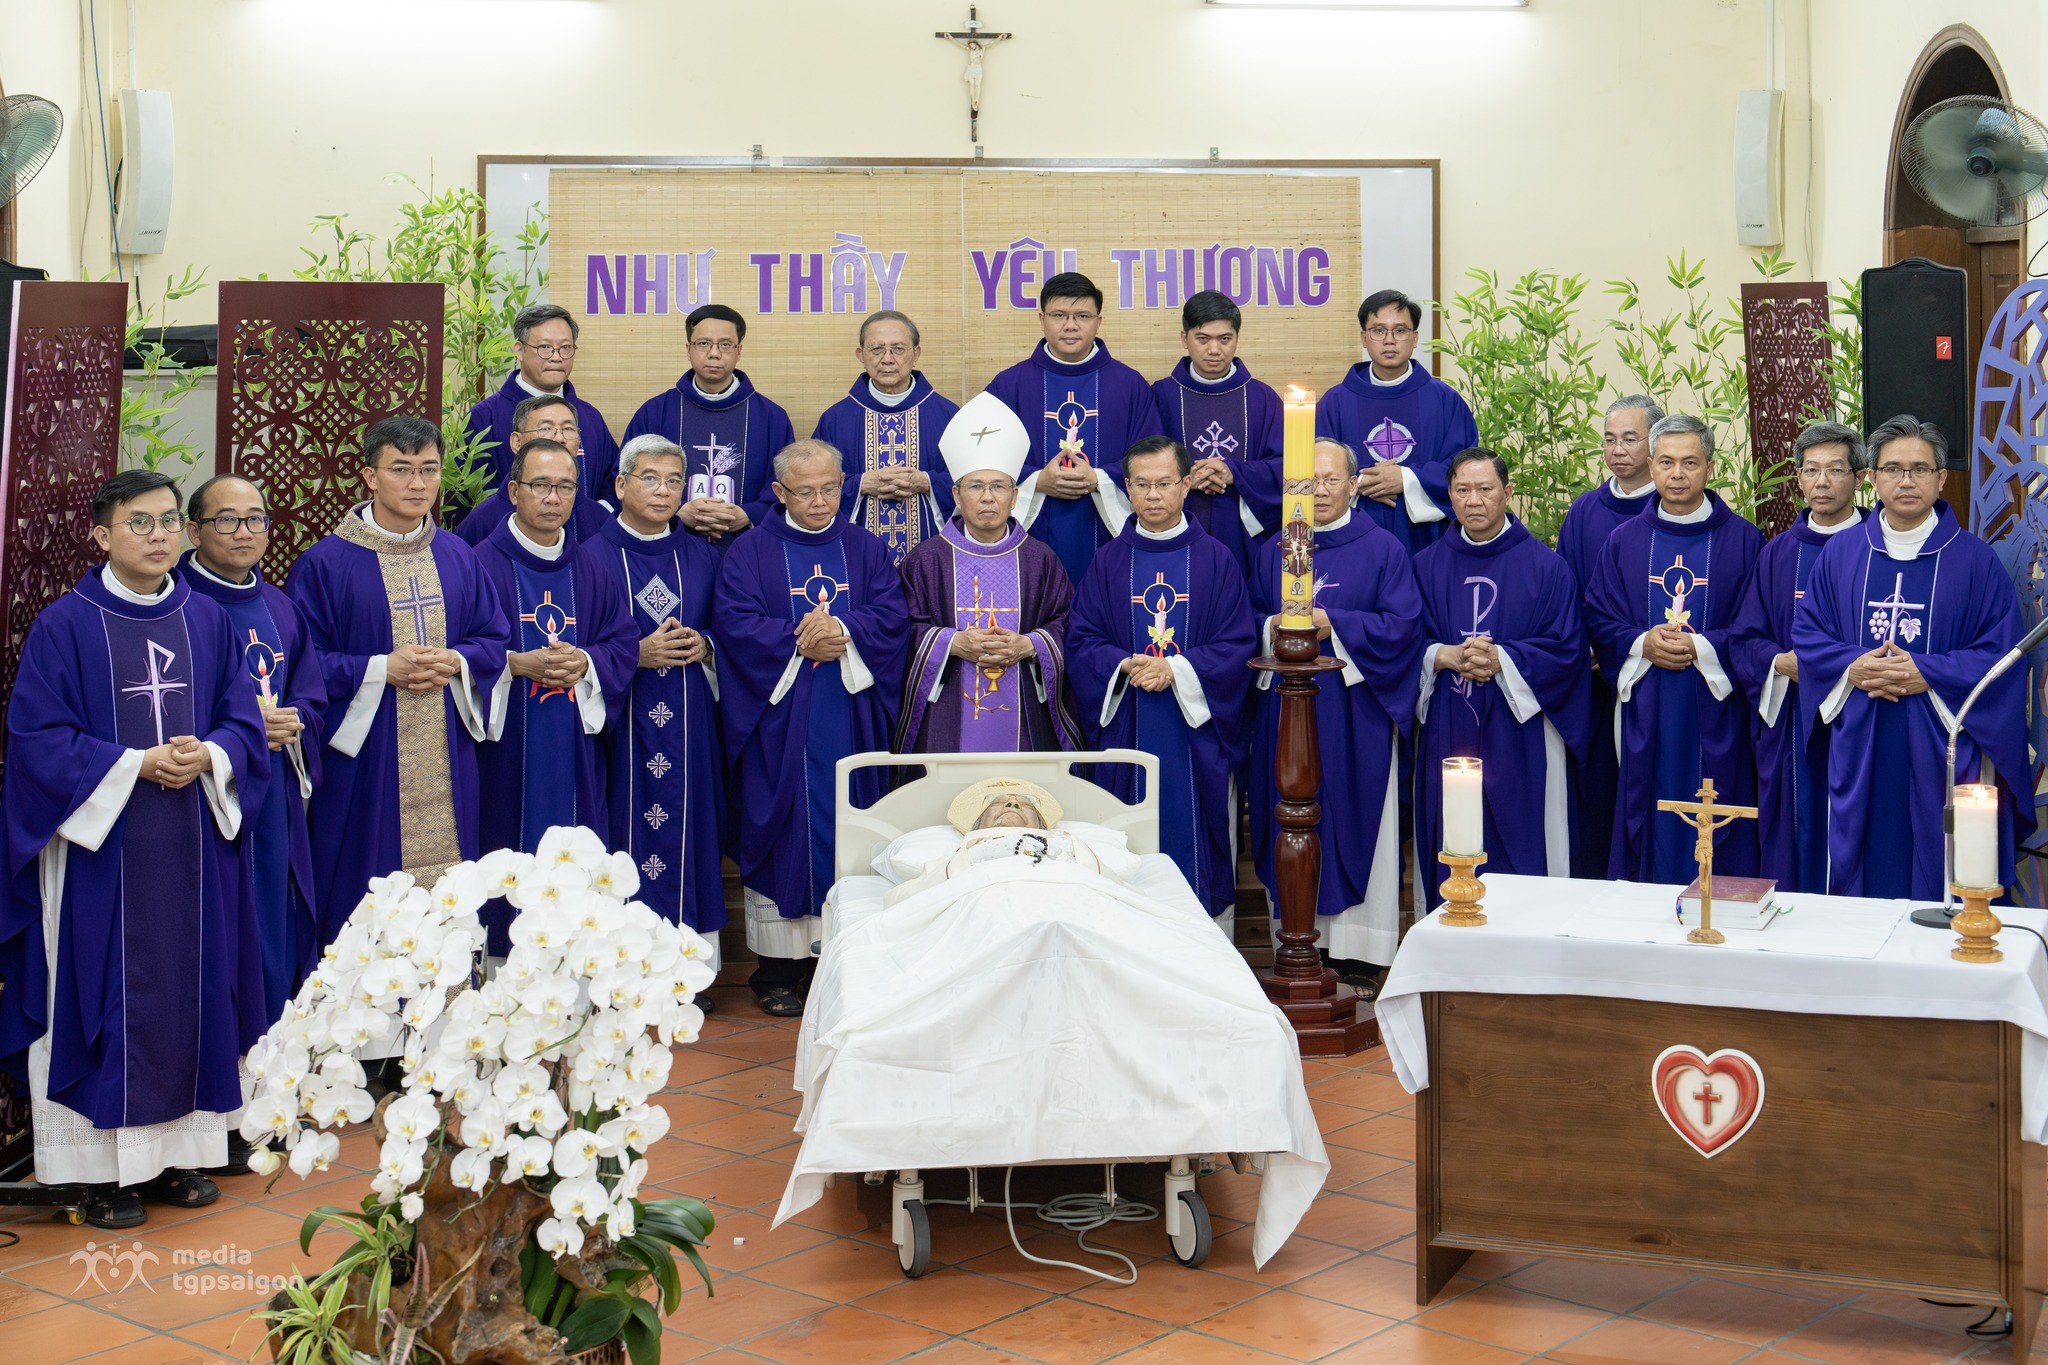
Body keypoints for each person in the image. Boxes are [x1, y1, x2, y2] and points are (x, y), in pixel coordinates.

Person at [0, 471, 267, 1229]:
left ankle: (175, 1156)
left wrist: (210, 753)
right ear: (102, 535)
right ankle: (99, 1174)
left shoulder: (206, 618)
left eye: (169, 521)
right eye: (139, 522)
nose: (158, 535)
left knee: (191, 990)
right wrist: (132, 765)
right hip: (102, 851)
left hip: (191, 845)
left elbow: (242, 720)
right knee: (103, 994)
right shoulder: (66, 625)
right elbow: (37, 741)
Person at [1792, 415, 2034, 899]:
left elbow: (2002, 654)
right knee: (1863, 863)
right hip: (1861, 736)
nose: (1906, 481)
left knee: (1941, 864)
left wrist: (1927, 672)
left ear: (1941, 478)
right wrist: (1854, 666)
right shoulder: (1841, 553)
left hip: (1940, 740)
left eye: (1919, 469)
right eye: (1893, 469)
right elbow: (1809, 634)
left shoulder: (1975, 561)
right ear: (1871, 478)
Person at [714, 439, 910, 1015]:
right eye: (805, 492)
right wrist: (799, 638)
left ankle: (847, 960)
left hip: (849, 714)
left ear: (844, 484)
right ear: (779, 492)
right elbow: (734, 623)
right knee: (783, 832)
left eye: (830, 488)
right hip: (779, 720)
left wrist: (843, 631)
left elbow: (892, 615)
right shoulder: (750, 551)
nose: (820, 501)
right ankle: (778, 971)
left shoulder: (865, 548)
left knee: (850, 824)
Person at [287, 416, 511, 912]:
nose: (418, 483)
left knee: (450, 893)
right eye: (402, 469)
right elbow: (302, 665)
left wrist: (455, 660)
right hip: (366, 756)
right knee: (363, 885)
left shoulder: (458, 556)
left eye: (429, 469)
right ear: (370, 476)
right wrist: (380, 669)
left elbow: (493, 637)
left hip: (446, 745)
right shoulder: (325, 565)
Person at [1250, 439, 1422, 979]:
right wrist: (1275, 626)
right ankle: (1300, 947)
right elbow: (1246, 621)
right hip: (1286, 712)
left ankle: (1361, 955)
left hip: (1356, 711)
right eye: (1308, 480)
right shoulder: (1274, 548)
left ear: (1353, 485)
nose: (1319, 491)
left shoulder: (1384, 549)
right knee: (1290, 814)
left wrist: (1334, 624)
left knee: (1355, 813)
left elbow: (1403, 627)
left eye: (1330, 480)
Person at [1068, 435, 1254, 923]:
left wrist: (1176, 669)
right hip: (1127, 722)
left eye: (1165, 483)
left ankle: (1205, 944)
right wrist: (1125, 665)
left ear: (1186, 485)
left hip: (1194, 736)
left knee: (1192, 835)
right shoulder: (1108, 561)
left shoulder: (1216, 559)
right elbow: (1082, 642)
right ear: (1127, 488)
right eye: (1142, 484)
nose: (1153, 495)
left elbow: (1238, 644)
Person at [470, 438, 639, 951]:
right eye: (540, 485)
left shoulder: (591, 568)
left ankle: (574, 962)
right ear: (513, 490)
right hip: (503, 750)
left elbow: (621, 642)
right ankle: (502, 961)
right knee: (503, 843)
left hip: (574, 748)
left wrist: (585, 662)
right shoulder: (478, 565)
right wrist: (515, 664)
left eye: (565, 487)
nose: (553, 498)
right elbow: (456, 650)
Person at [1586, 414, 1764, 883]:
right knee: (1649, 806)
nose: (1677, 474)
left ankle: (1716, 902)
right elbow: (1599, 617)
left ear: (1710, 467)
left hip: (1718, 708)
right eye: (1666, 462)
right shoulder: (1623, 542)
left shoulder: (1745, 541)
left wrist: (1701, 646)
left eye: (1690, 462)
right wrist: (1642, 642)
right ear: (1651, 465)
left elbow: (1758, 627)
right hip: (1647, 704)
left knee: (1717, 805)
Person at [180, 475, 327, 1024]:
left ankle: (274, 1038)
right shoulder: (176, 605)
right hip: (207, 797)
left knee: (274, 912)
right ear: (194, 531)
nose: (244, 532)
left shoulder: (280, 607)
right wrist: (241, 731)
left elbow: (312, 693)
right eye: (226, 520)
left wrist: (295, 720)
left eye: (255, 520)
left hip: (275, 793)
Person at [1413, 449, 1591, 896]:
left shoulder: (1547, 568)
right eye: (1462, 490)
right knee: (1451, 836)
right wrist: (1443, 655)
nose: (1473, 500)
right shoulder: (1424, 566)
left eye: (1485, 489)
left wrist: (1503, 660)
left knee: (1524, 847)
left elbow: (1568, 651)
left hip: (1521, 734)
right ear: (1449, 496)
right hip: (1448, 723)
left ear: (1507, 493)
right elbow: (1402, 641)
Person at [595, 435, 728, 973]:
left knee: (690, 828)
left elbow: (731, 627)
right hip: (620, 725)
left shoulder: (703, 554)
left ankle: (688, 971)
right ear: (621, 484)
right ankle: (623, 971)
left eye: (675, 481)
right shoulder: (590, 556)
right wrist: (634, 653)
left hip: (691, 720)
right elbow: (577, 644)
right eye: (649, 478)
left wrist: (708, 645)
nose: (663, 491)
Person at [897, 392, 1081, 754]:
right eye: (975, 486)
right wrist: (951, 643)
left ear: (1014, 495)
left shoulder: (1040, 560)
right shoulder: (925, 561)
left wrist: (1030, 645)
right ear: (956, 494)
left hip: (1026, 712)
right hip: (945, 713)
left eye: (998, 486)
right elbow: (900, 630)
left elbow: (1069, 624)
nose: (987, 497)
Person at [1728, 422, 1868, 893]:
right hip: (1793, 715)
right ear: (1799, 478)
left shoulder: (1881, 546)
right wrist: (1778, 663)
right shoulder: (1778, 553)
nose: (1822, 482)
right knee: (1796, 820)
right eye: (1811, 470)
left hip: (1865, 709)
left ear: (1860, 477)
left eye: (1835, 470)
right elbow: (1747, 637)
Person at [983, 272, 1164, 585]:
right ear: (1042, 319)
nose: (1070, 325)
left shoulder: (1129, 386)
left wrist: (1098, 479)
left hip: (1107, 535)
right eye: (1059, 315)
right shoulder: (1009, 385)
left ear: (1098, 321)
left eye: (1082, 316)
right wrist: (1037, 480)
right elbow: (983, 460)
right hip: (1030, 533)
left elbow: (1154, 461)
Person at [1556, 394, 1664, 876]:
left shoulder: (1675, 507)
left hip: (1659, 673)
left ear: (1654, 443)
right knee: (1600, 790)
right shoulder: (1585, 511)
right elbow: (1565, 590)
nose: (1617, 450)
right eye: (1609, 439)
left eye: (1630, 439)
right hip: (1597, 680)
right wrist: (1588, 648)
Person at [1315, 289, 1477, 556]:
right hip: (1352, 539)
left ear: (1415, 338)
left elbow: (1467, 468)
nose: (1389, 340)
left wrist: (1407, 478)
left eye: (1400, 330)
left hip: (1428, 540)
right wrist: (1363, 482)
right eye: (1378, 330)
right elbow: (1314, 468)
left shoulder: (1444, 400)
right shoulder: (1336, 402)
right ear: (1364, 338)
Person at [623, 303, 795, 551]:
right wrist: (675, 511)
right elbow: (628, 480)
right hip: (669, 549)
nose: (714, 353)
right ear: (688, 349)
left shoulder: (771, 417)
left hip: (748, 549)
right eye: (703, 343)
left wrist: (748, 514)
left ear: (739, 351)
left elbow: (789, 482)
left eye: (725, 345)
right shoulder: (655, 413)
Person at [1150, 290, 1285, 576]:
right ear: (1184, 338)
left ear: (1237, 338)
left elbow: (1287, 467)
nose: (1214, 349)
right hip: (1176, 528)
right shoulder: (1161, 396)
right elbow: (1142, 462)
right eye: (1203, 339)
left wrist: (1235, 473)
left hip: (1244, 536)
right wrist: (1185, 478)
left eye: (1225, 339)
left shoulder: (1262, 398)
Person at [813, 310, 958, 567]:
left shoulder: (948, 416)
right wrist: (860, 484)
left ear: (916, 353)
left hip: (932, 563)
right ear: (861, 355)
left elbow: (974, 484)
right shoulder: (836, 419)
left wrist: (926, 482)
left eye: (898, 349)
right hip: (857, 562)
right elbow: (811, 488)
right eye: (877, 349)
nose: (887, 359)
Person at [463, 302, 620, 502]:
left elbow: (614, 483)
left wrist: (594, 515)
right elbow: (470, 496)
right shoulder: (483, 418)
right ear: (520, 350)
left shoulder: (590, 417)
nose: (556, 357)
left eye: (565, 348)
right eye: (545, 347)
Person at [456, 393, 616, 546]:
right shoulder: (482, 522)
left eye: (568, 429)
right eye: (546, 428)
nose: (560, 438)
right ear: (517, 442)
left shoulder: (600, 519)